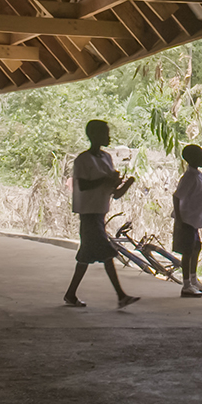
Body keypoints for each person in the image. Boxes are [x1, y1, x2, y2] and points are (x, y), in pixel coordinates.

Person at [64, 120, 140, 309]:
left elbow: (114, 193)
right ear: (94, 135)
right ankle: (121, 295)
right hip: (88, 212)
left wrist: (125, 183)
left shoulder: (107, 158)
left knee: (85, 256)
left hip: (100, 211)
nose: (109, 137)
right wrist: (106, 179)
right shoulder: (82, 160)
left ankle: (70, 293)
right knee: (106, 252)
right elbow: (82, 185)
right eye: (105, 133)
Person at [172, 144, 202, 299]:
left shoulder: (197, 176)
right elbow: (176, 196)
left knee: (196, 247)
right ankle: (186, 284)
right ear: (192, 159)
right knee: (187, 252)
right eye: (201, 156)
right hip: (186, 220)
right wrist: (179, 219)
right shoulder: (189, 177)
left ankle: (193, 279)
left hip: (193, 220)